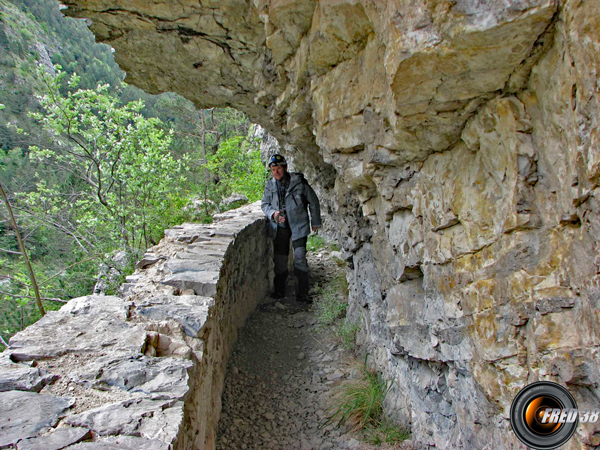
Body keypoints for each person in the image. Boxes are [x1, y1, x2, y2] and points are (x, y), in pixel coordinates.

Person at [261, 154, 321, 302]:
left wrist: (315, 222)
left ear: (285, 168)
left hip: (299, 225)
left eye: (279, 168)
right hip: (280, 227)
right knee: (280, 259)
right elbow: (265, 205)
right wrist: (273, 214)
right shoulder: (270, 185)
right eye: (273, 169)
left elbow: (313, 201)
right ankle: (280, 290)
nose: (276, 172)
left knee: (299, 258)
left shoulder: (299, 182)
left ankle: (303, 294)